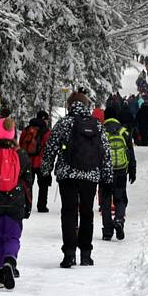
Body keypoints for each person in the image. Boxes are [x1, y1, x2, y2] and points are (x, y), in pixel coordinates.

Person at [41, 91, 112, 268]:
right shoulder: (97, 125)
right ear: (86, 105)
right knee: (87, 214)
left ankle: (69, 253)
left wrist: (45, 171)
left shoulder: (64, 123)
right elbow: (105, 153)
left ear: (70, 104)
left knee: (69, 213)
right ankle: (86, 254)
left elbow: (50, 148)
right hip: (90, 176)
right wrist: (107, 177)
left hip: (68, 175)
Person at [0, 118, 33, 289]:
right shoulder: (21, 155)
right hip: (15, 201)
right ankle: (10, 260)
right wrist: (28, 204)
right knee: (12, 236)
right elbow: (28, 181)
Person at [101, 106, 136, 241]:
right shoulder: (123, 131)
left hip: (106, 171)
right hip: (121, 170)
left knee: (105, 200)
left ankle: (107, 231)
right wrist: (132, 169)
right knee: (120, 198)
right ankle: (119, 220)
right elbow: (130, 152)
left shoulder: (101, 131)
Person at [21, 110, 52, 213]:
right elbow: (48, 146)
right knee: (43, 185)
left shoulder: (27, 129)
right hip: (41, 162)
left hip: (27, 161)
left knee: (28, 184)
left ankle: (26, 204)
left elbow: (21, 144)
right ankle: (42, 206)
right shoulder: (46, 131)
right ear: (44, 119)